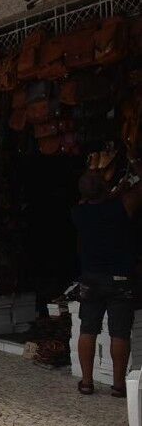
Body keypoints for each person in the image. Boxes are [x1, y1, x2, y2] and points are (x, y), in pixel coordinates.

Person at [72, 169, 142, 396]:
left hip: (91, 277)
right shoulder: (121, 207)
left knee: (87, 329)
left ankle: (86, 382)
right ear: (104, 187)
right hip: (120, 278)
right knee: (119, 333)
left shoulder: (78, 212)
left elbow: (89, 199)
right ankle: (119, 385)